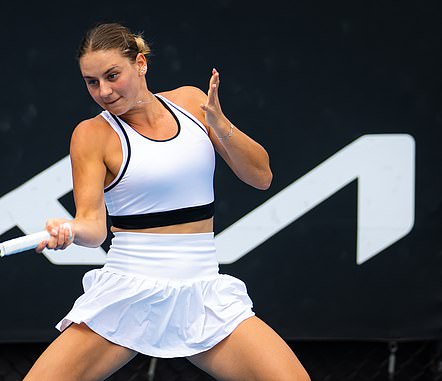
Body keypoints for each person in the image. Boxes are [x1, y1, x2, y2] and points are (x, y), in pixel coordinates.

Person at [25, 23, 310, 381]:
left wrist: (220, 125)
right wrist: (67, 230)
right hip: (128, 291)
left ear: (140, 64)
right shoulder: (91, 134)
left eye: (113, 75)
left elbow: (261, 176)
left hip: (202, 292)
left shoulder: (192, 102)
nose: (104, 91)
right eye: (92, 82)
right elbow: (94, 229)